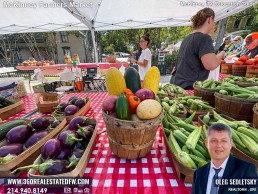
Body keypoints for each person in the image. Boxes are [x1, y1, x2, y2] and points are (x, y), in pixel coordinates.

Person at [191, 123, 257, 194]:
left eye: (224, 141)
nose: (219, 145)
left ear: (231, 143)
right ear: (206, 143)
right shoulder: (199, 173)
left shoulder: (246, 170)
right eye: (214, 140)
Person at [170, 8, 225, 90]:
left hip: (176, 85)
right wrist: (221, 54)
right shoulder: (204, 38)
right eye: (214, 21)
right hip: (189, 87)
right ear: (210, 19)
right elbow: (211, 64)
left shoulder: (187, 39)